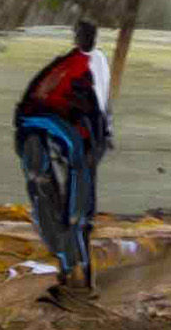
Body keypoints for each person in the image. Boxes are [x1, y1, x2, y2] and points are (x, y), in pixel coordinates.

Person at [13, 20, 113, 289]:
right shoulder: (91, 64)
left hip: (31, 126)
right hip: (54, 129)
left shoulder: (66, 66)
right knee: (74, 203)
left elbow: (98, 107)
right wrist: (104, 134)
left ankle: (70, 264)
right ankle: (74, 266)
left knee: (46, 195)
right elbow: (100, 108)